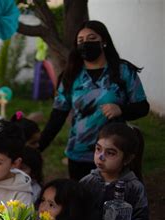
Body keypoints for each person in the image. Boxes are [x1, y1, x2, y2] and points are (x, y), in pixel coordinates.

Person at [38, 20, 149, 181]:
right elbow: (58, 115)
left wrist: (122, 110)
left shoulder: (123, 71)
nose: (85, 44)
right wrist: (38, 146)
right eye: (80, 41)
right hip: (79, 153)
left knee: (111, 203)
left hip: (114, 154)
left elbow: (143, 107)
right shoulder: (70, 76)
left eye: (91, 38)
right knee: (82, 202)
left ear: (103, 41)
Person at [79, 122, 148, 220]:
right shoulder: (86, 182)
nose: (101, 157)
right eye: (98, 149)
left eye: (110, 153)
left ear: (128, 159)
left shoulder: (135, 188)